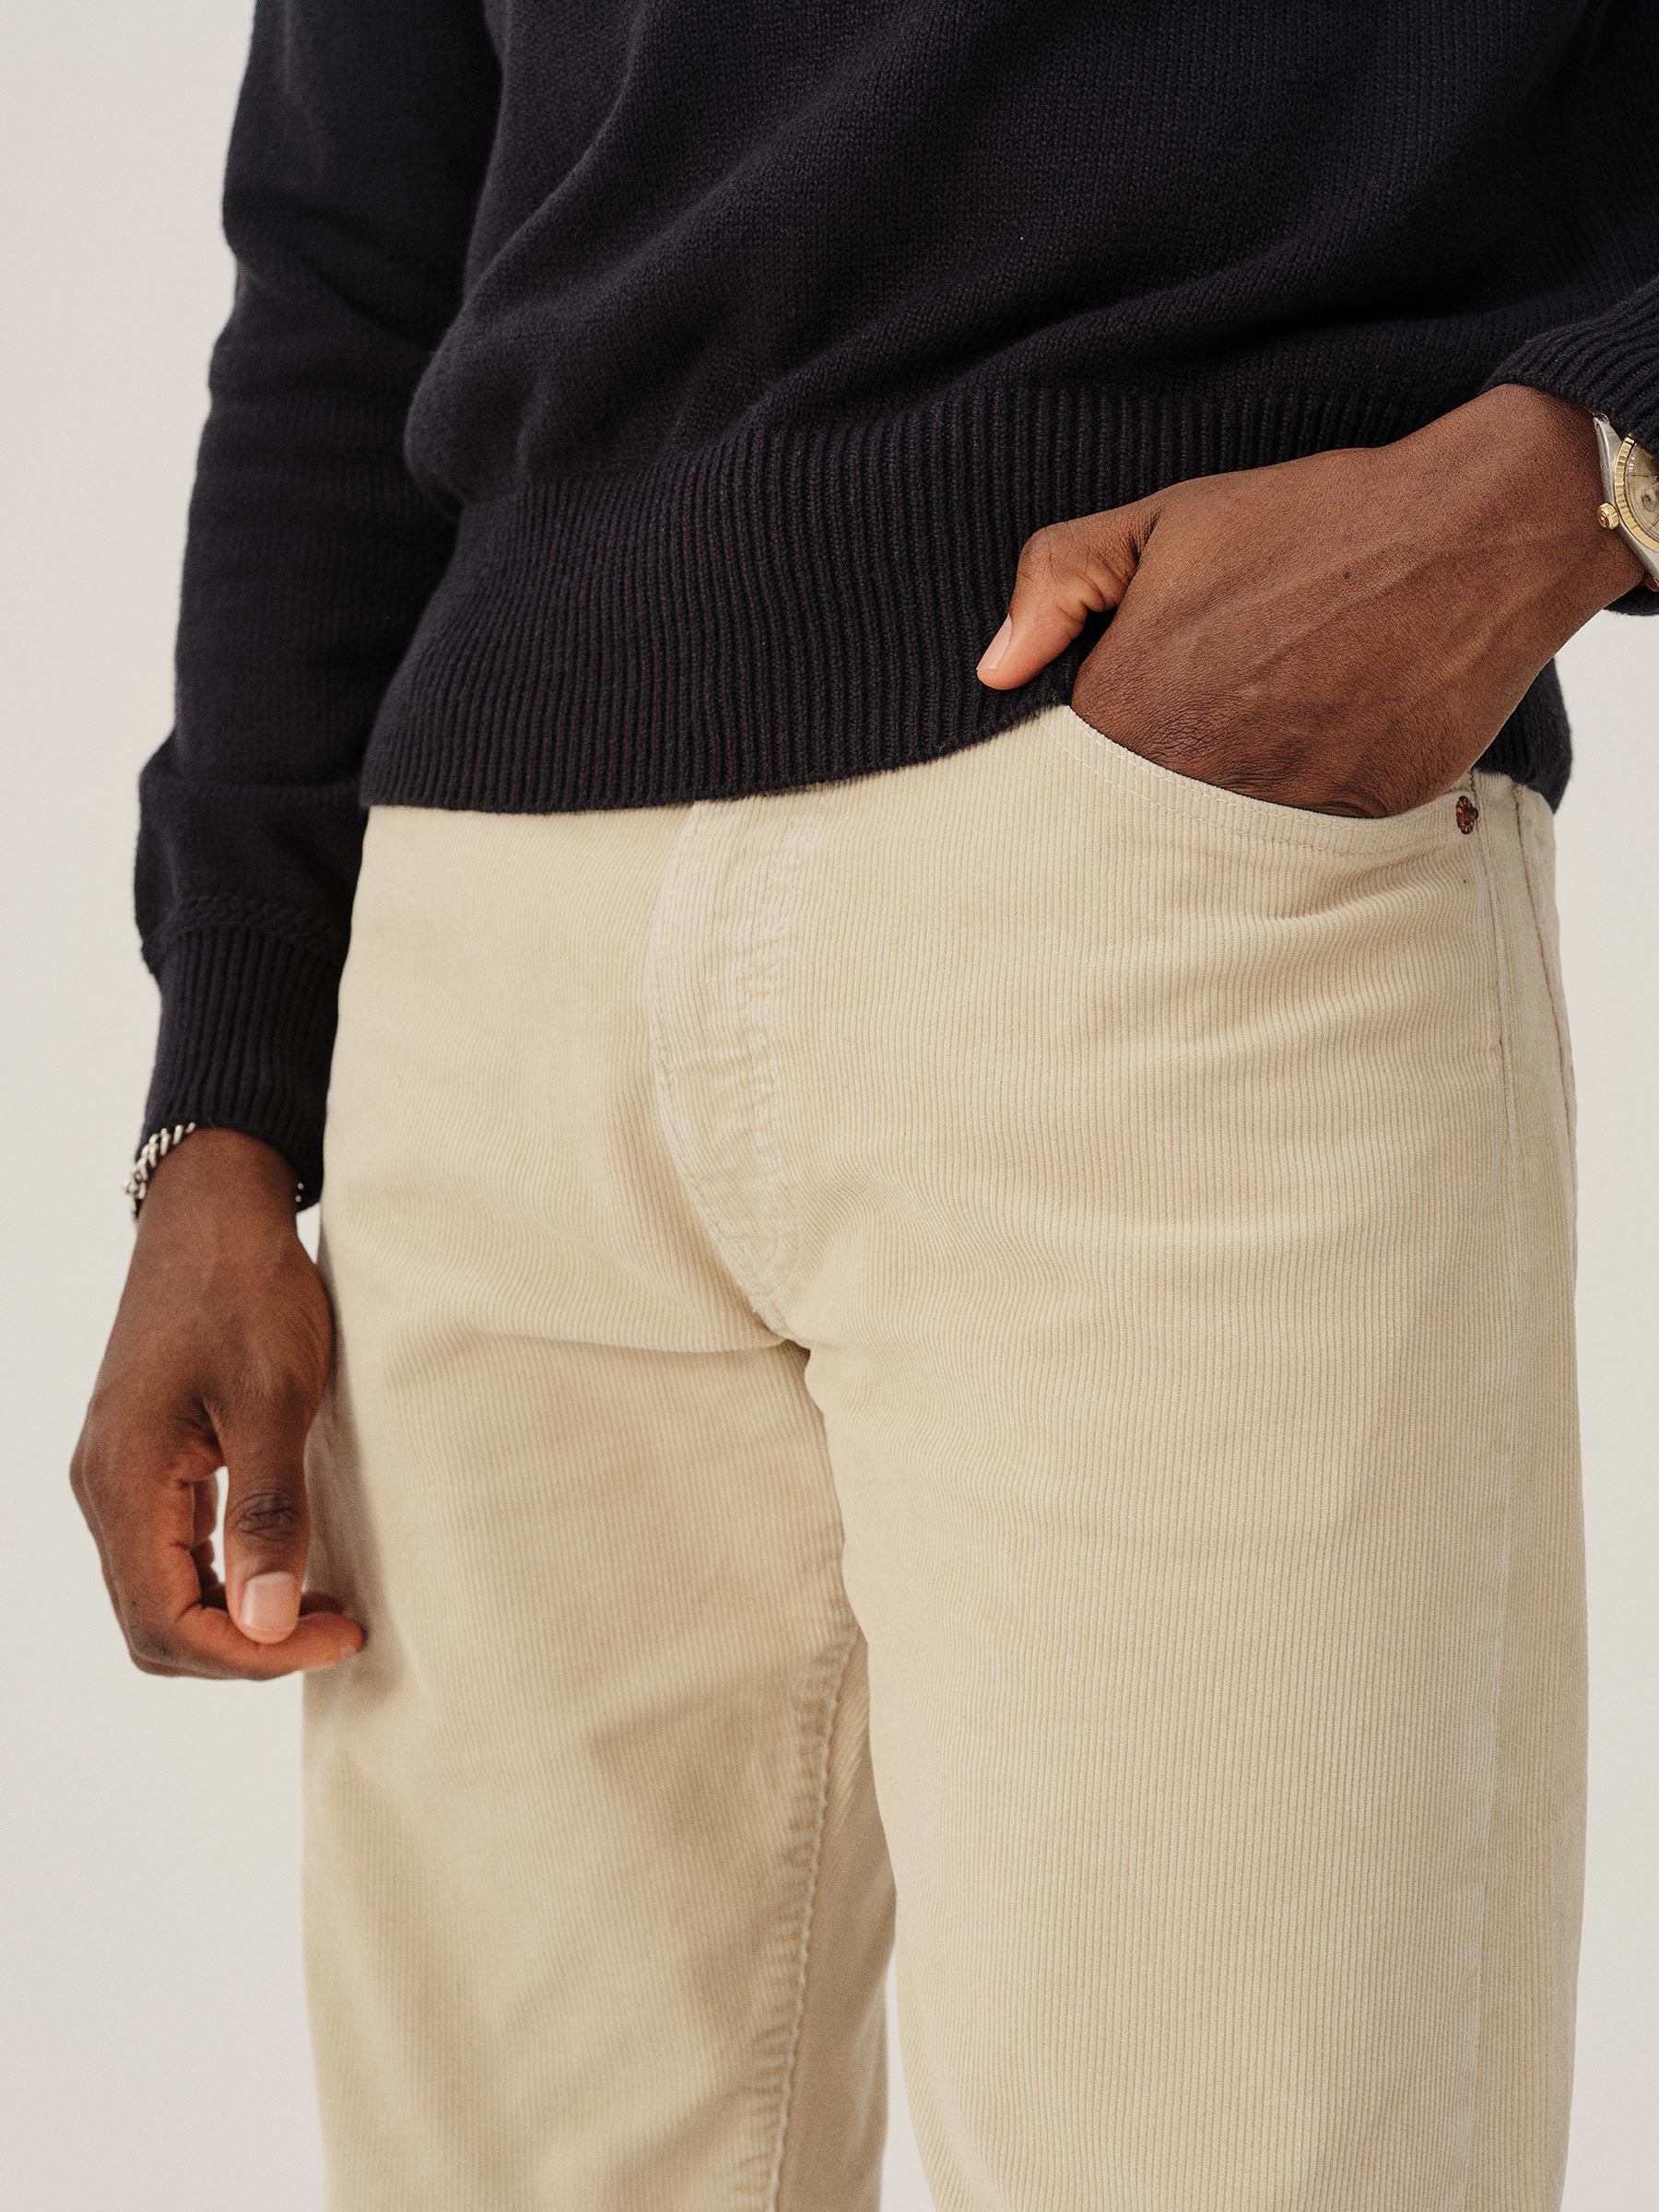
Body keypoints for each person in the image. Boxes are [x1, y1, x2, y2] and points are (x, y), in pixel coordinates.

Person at [69, 2, 1657, 2205]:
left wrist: (1578, 464)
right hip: (481, 956)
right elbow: (350, 245)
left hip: (1162, 862)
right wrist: (223, 1112)